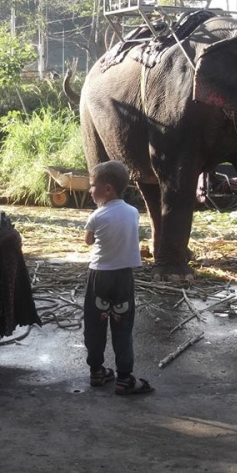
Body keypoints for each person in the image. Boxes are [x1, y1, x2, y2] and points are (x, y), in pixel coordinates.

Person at [83, 160, 153, 395]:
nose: (90, 190)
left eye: (92, 186)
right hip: (123, 278)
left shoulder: (96, 216)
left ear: (108, 189)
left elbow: (88, 241)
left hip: (99, 277)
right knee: (122, 327)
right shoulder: (133, 212)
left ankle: (96, 371)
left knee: (95, 326)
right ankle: (124, 377)